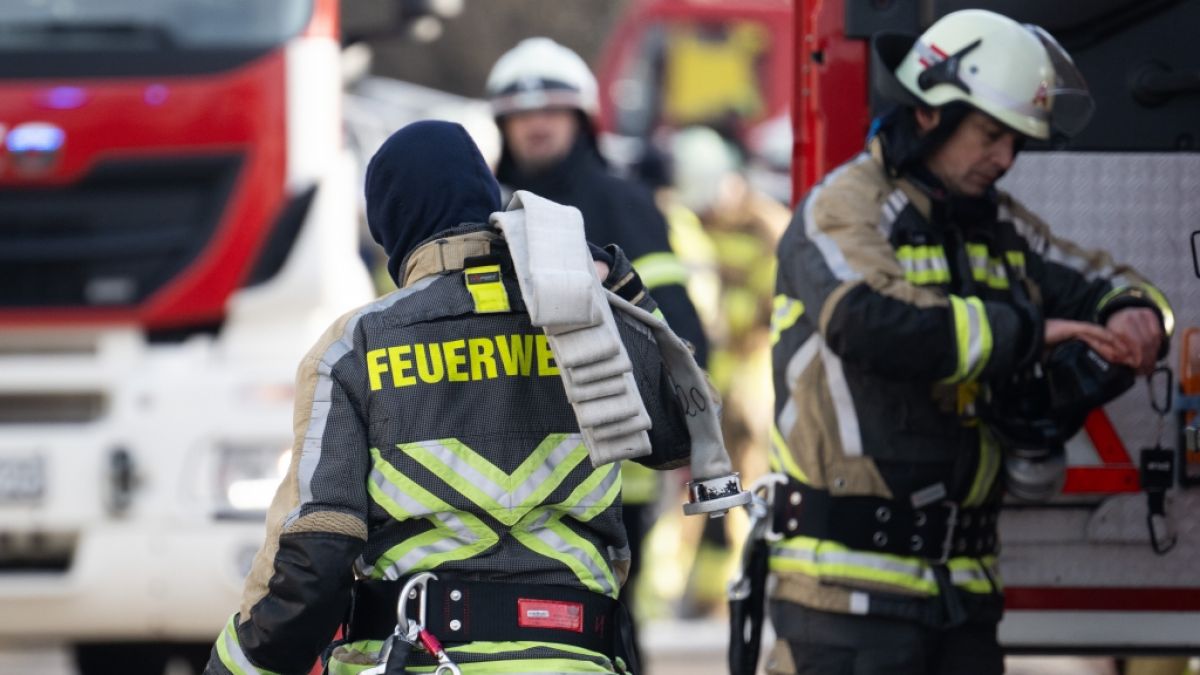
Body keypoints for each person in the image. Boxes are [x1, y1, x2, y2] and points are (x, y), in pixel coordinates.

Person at [203, 120, 695, 675]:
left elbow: (317, 556)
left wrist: (237, 664)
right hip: (577, 657)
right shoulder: (581, 322)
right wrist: (618, 286)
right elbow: (686, 434)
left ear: (394, 225)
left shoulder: (355, 347)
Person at [767, 10, 1172, 674]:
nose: (1006, 159)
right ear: (929, 113)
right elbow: (870, 320)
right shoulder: (844, 208)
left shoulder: (999, 230)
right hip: (843, 602)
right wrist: (1031, 335)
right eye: (990, 135)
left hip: (963, 603)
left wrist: (1134, 313)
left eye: (1016, 142)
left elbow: (1096, 279)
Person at [485, 36, 710, 658]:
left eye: (550, 111)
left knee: (606, 627)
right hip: (498, 461)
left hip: (609, 473)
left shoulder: (622, 205)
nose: (536, 125)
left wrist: (689, 424)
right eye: (522, 114)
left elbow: (678, 328)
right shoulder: (485, 211)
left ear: (581, 119)